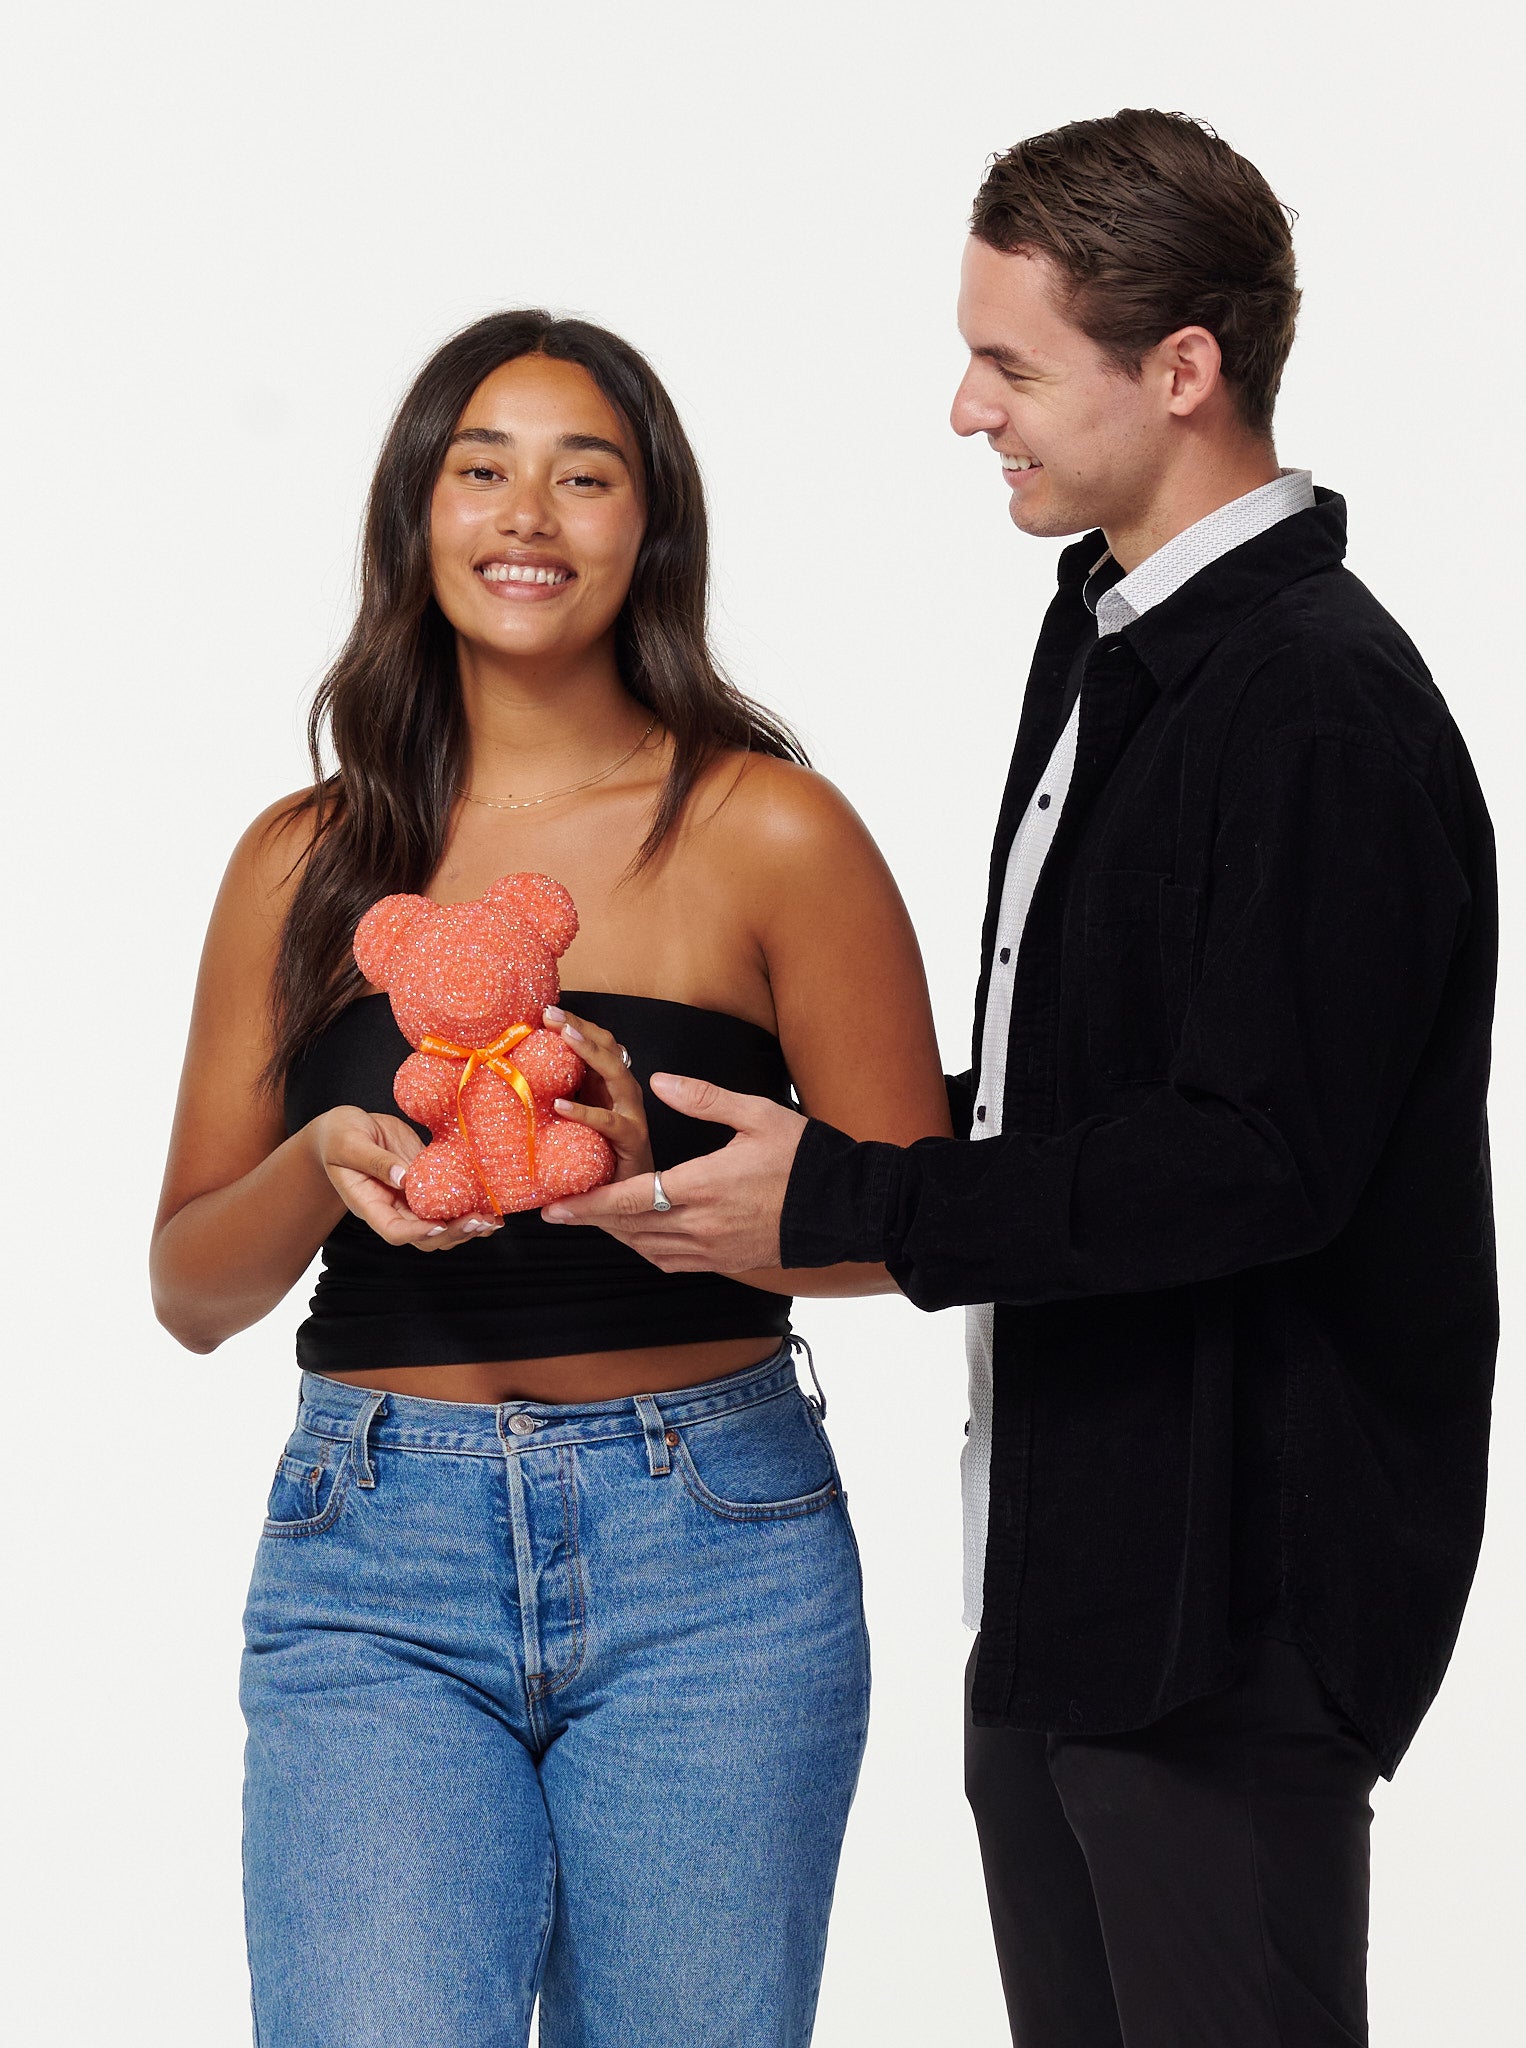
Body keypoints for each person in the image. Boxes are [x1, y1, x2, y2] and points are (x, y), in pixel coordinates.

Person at [549, 112, 1499, 2046]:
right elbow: (1098, 1081)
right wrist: (812, 1155)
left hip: (1231, 1620)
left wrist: (867, 1207)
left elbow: (1252, 1161)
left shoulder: (1311, 700)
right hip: (1074, 1588)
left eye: (1010, 362)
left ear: (1180, 371)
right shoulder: (1105, 629)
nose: (961, 408)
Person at [149, 308, 950, 2048]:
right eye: (481, 469)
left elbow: (913, 1223)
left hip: (716, 1554)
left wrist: (658, 1183)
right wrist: (318, 1160)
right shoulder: (302, 862)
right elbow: (192, 1290)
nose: (530, 517)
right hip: (373, 1560)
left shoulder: (769, 829)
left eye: (585, 476)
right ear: (412, 518)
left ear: (649, 525)